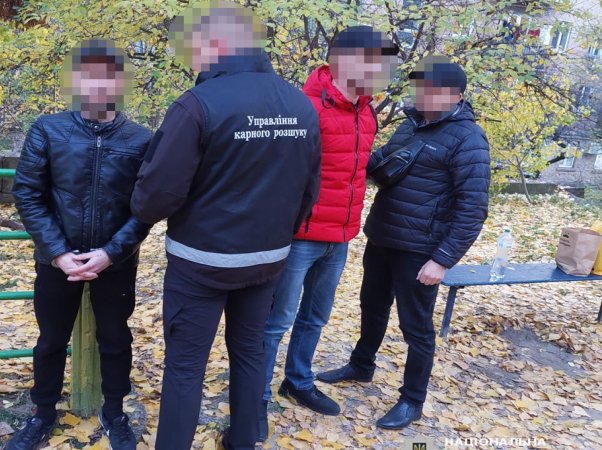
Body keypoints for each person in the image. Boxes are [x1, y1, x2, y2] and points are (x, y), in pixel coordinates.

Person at [129, 3, 321, 450]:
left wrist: (140, 209)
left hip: (201, 263)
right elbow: (309, 189)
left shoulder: (198, 104)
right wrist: (279, 235)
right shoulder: (300, 105)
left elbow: (157, 193)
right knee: (250, 355)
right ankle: (243, 442)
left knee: (185, 367)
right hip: (267, 260)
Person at [317, 55, 491, 430]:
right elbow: (375, 162)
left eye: (432, 89)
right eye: (420, 87)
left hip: (420, 250)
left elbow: (473, 207)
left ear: (456, 96)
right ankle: (361, 365)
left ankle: (412, 399)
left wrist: (442, 260)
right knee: (372, 307)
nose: (423, 94)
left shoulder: (469, 138)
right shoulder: (410, 125)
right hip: (383, 237)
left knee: (416, 328)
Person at [7, 39, 152, 450]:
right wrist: (57, 253)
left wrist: (111, 253)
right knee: (51, 340)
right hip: (57, 260)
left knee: (115, 338)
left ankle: (114, 412)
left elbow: (146, 206)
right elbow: (28, 193)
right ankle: (43, 413)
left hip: (115, 262)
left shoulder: (142, 139)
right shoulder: (48, 129)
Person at [259, 25, 399, 434]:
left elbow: (353, 172)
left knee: (315, 317)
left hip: (339, 238)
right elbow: (277, 176)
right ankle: (255, 397)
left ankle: (298, 381)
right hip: (298, 239)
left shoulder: (366, 112)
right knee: (275, 322)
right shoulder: (303, 107)